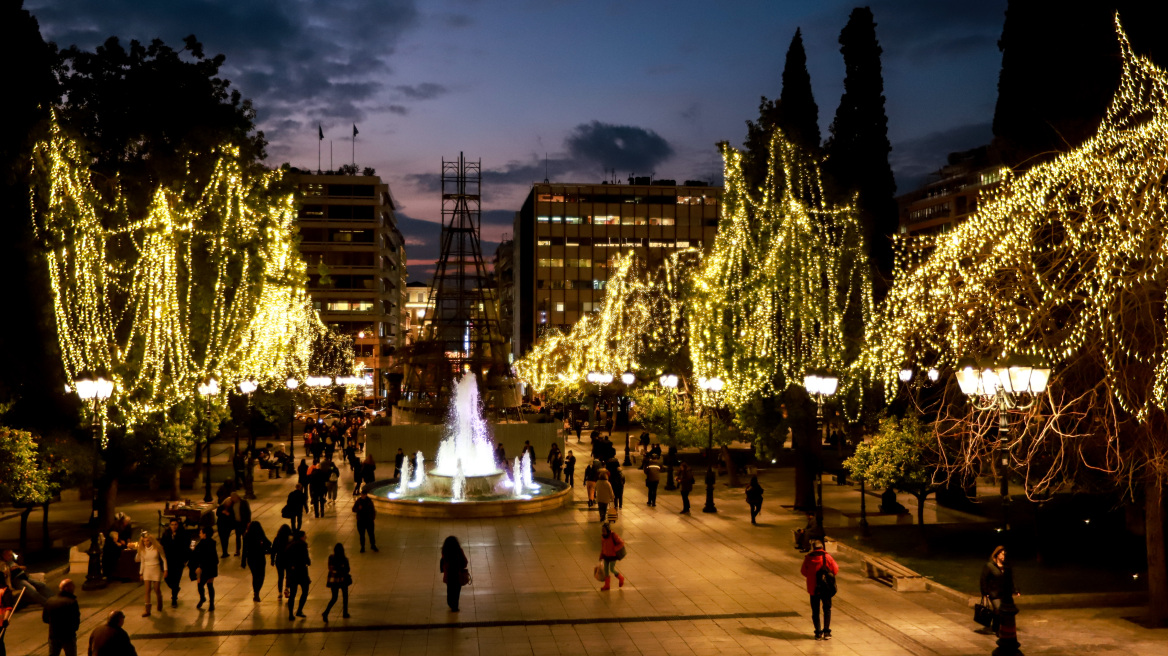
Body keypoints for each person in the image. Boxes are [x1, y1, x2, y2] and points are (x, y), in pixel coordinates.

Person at [800, 540, 839, 640]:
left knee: (815, 611)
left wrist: (811, 576)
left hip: (813, 589)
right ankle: (826, 632)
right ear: (822, 547)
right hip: (826, 588)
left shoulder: (808, 558)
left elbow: (803, 571)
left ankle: (818, 632)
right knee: (827, 609)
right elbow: (835, 570)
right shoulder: (827, 557)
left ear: (813, 548)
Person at [980, 545, 1020, 635]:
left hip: (1004, 593)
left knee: (1000, 610)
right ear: (997, 555)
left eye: (1004, 554)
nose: (1003, 556)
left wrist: (1016, 590)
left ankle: (995, 626)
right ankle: (998, 629)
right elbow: (984, 579)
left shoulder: (1006, 567)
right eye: (1001, 554)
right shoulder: (990, 566)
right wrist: (985, 592)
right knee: (998, 609)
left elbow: (1011, 579)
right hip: (994, 592)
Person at [42, 579, 80, 656]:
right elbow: (76, 619)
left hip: (53, 634)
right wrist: (73, 629)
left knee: (53, 654)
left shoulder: (50, 601)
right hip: (68, 635)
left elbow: (45, 618)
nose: (74, 588)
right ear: (67, 588)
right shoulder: (71, 602)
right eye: (72, 587)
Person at [158, 519, 189, 608]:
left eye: (175, 524)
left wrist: (185, 559)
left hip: (178, 560)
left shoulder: (183, 534)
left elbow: (185, 546)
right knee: (168, 578)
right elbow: (162, 545)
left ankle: (174, 598)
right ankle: (175, 589)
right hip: (169, 560)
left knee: (176, 579)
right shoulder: (166, 534)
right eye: (172, 524)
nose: (174, 526)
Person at [136, 532, 167, 617]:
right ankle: (147, 610)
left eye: (148, 541)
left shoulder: (157, 548)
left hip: (156, 568)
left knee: (156, 589)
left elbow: (164, 559)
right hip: (147, 570)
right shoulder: (142, 550)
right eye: (145, 541)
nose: (147, 543)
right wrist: (141, 573)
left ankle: (160, 602)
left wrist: (165, 570)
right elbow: (142, 562)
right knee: (147, 590)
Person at [240, 521, 271, 602]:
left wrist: (243, 561)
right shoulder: (260, 535)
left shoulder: (247, 536)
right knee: (261, 575)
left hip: (251, 558)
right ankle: (257, 591)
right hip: (260, 557)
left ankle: (256, 592)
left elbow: (244, 550)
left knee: (255, 575)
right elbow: (268, 543)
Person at [284, 531, 311, 620]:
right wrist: (308, 562)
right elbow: (307, 559)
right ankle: (299, 610)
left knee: (293, 594)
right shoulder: (303, 545)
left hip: (293, 573)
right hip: (302, 571)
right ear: (301, 537)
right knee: (305, 591)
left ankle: (291, 614)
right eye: (304, 536)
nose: (305, 537)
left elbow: (286, 559)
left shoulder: (290, 546)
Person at [322, 543, 352, 621]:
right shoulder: (344, 559)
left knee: (334, 598)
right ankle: (345, 613)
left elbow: (330, 568)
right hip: (343, 580)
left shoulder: (331, 557)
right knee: (345, 597)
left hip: (333, 580)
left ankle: (326, 612)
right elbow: (347, 569)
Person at [192, 525, 218, 611]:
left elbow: (199, 555)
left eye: (200, 532)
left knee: (200, 584)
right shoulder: (212, 542)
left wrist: (200, 567)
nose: (199, 534)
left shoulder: (202, 544)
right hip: (212, 566)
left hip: (204, 567)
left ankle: (203, 598)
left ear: (205, 534)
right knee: (210, 585)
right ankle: (211, 604)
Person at [439, 536, 469, 612]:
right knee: (456, 592)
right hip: (458, 575)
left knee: (450, 590)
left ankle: (450, 603)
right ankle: (455, 605)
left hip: (448, 575)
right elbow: (465, 562)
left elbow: (443, 563)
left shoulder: (444, 551)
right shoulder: (459, 551)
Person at [598, 523, 626, 591]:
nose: (603, 532)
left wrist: (615, 549)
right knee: (606, 570)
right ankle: (607, 585)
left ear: (607, 530)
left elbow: (621, 542)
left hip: (613, 556)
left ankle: (621, 578)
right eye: (602, 530)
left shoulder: (613, 535)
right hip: (606, 555)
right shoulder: (603, 537)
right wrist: (601, 555)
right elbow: (603, 546)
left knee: (612, 569)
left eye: (604, 530)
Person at [270, 524, 293, 602]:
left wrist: (272, 560)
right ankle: (287, 589)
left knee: (280, 577)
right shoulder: (290, 539)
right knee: (288, 575)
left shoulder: (277, 539)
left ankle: (280, 593)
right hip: (288, 559)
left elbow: (273, 550)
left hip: (279, 559)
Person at [353, 486, 379, 553]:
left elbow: (372, 510)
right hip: (361, 521)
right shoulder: (359, 501)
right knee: (362, 535)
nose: (362, 496)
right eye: (361, 495)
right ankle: (362, 547)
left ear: (366, 495)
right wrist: (358, 508)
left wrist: (372, 517)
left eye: (363, 495)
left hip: (368, 521)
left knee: (371, 534)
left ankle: (373, 545)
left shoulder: (369, 501)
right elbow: (353, 509)